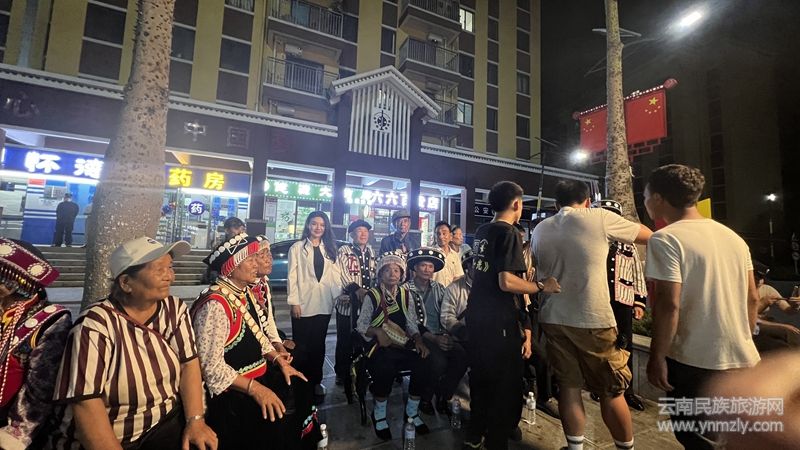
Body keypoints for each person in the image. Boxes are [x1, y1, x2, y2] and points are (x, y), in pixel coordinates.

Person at [51, 237, 218, 450]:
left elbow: (189, 364)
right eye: (159, 269)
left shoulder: (174, 309)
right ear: (126, 283)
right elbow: (86, 403)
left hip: (165, 423)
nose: (170, 276)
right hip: (117, 435)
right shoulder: (95, 325)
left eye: (170, 267)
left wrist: (196, 420)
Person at [644, 164, 761, 450]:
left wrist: (657, 356)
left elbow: (669, 304)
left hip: (694, 363)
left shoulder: (666, 238)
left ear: (658, 198)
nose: (644, 202)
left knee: (695, 437)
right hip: (743, 359)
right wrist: (743, 337)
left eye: (645, 196)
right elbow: (753, 298)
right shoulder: (733, 238)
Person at [531, 180, 651, 450]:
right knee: (612, 390)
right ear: (587, 201)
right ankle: (625, 447)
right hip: (592, 318)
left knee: (569, 386)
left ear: (556, 204)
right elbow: (647, 235)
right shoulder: (599, 218)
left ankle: (575, 447)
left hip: (553, 318)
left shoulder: (540, 228)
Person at [465, 181, 560, 450]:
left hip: (477, 315)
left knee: (481, 378)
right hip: (499, 321)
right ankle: (496, 441)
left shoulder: (483, 230)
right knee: (504, 386)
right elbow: (506, 281)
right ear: (517, 204)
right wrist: (541, 286)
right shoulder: (508, 233)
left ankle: (474, 435)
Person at [192, 233, 310, 450]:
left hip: (256, 383)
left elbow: (259, 336)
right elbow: (211, 368)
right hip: (235, 399)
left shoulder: (242, 293)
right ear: (231, 267)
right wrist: (256, 389)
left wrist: (278, 360)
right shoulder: (215, 305)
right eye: (251, 260)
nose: (257, 264)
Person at [0, 238, 70, 449]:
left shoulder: (49, 319)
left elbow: (40, 389)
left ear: (12, 281)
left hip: (9, 426)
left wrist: (15, 434)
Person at [356, 250, 430, 440]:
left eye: (396, 270)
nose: (392, 274)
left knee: (423, 362)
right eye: (387, 270)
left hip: (401, 343)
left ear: (402, 274)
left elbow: (411, 323)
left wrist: (418, 340)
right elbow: (361, 325)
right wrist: (377, 331)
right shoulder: (372, 295)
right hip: (378, 346)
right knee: (385, 368)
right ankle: (379, 414)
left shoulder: (406, 294)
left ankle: (411, 412)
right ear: (380, 274)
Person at [589, 199, 648, 412]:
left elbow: (637, 273)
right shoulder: (593, 243)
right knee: (599, 345)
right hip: (598, 300)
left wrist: (639, 301)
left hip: (623, 300)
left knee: (624, 344)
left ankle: (627, 389)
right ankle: (599, 386)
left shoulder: (628, 244)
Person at [404, 247, 468, 415]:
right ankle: (425, 398)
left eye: (430, 266)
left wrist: (447, 335)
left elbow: (446, 313)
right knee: (438, 361)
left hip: (441, 334)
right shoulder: (405, 290)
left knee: (462, 356)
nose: (427, 269)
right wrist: (434, 338)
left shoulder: (439, 288)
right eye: (423, 265)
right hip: (418, 336)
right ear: (415, 268)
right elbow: (409, 321)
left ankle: (443, 394)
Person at [287, 211, 340, 399]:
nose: (318, 228)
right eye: (315, 223)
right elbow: (292, 277)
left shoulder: (330, 249)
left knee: (318, 345)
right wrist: (294, 302)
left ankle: (316, 381)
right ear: (308, 225)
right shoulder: (297, 248)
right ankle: (300, 381)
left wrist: (338, 297)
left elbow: (334, 276)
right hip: (303, 304)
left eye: (322, 225)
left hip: (323, 304)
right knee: (301, 346)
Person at [334, 219, 376, 390]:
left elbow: (373, 274)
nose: (363, 234)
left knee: (364, 337)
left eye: (365, 231)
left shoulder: (371, 251)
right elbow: (341, 273)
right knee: (344, 339)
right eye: (359, 231)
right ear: (352, 234)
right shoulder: (344, 250)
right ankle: (342, 373)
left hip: (366, 306)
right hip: (348, 304)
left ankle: (362, 370)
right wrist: (356, 289)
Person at [252, 235, 292, 348]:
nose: (268, 260)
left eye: (269, 255)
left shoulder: (263, 283)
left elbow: (269, 319)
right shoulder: (244, 287)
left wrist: (278, 343)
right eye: (262, 256)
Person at [441, 249, 475, 341]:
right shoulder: (454, 288)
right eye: (477, 264)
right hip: (462, 339)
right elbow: (447, 317)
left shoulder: (491, 286)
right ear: (469, 265)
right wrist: (462, 332)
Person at [431, 221, 464, 288]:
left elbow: (458, 277)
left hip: (450, 293)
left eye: (444, 233)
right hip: (434, 292)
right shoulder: (431, 253)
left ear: (450, 236)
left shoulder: (455, 255)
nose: (441, 236)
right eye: (438, 234)